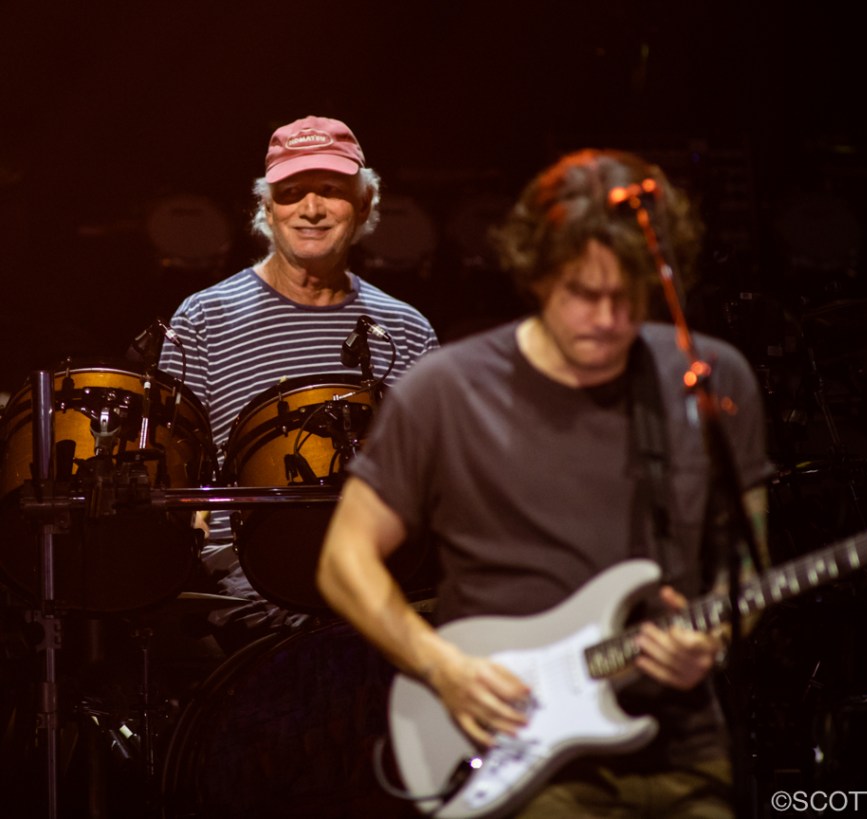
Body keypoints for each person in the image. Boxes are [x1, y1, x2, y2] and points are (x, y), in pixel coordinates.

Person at [316, 148, 773, 817]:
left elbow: (746, 561)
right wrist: (442, 666)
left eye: (628, 296)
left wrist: (715, 636)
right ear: (536, 273)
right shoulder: (447, 391)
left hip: (686, 749)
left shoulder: (710, 382)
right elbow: (344, 560)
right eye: (583, 294)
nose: (608, 319)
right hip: (518, 750)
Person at [159, 115, 439, 643]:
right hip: (247, 589)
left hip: (384, 575)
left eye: (330, 190)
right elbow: (171, 473)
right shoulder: (203, 318)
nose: (311, 209)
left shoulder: (406, 327)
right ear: (267, 208)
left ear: (365, 204)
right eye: (291, 193)